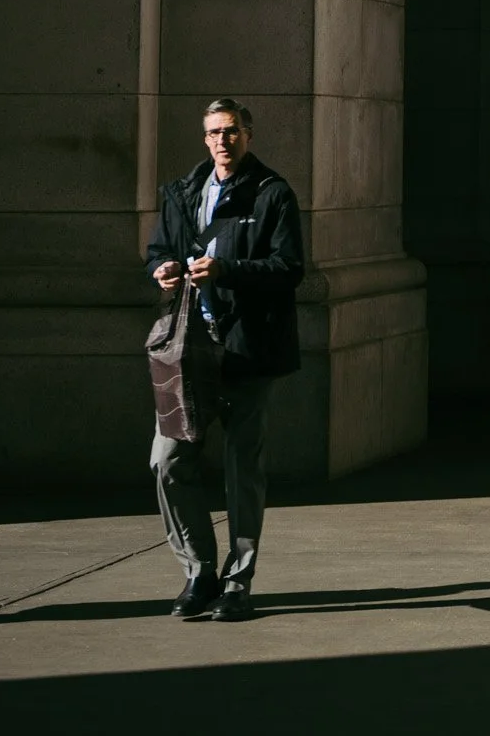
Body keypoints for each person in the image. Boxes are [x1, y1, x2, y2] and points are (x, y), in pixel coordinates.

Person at [144, 98, 303, 623]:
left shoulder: (272, 193)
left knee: (243, 470)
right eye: (213, 133)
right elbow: (158, 247)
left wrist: (228, 269)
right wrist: (162, 268)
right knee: (167, 461)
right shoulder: (182, 192)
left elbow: (289, 268)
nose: (222, 142)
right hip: (189, 351)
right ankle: (198, 571)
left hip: (246, 350)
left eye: (231, 132)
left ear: (248, 135)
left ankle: (238, 582)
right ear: (204, 138)